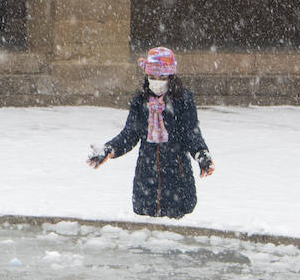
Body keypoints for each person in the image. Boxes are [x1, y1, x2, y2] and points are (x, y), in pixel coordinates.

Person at [87, 46, 215, 219]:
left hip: (177, 175)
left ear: (171, 76)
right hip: (146, 176)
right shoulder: (140, 101)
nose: (156, 81)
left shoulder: (182, 100)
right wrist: (110, 149)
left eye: (161, 77)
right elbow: (130, 134)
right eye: (152, 77)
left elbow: (190, 133)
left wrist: (201, 154)